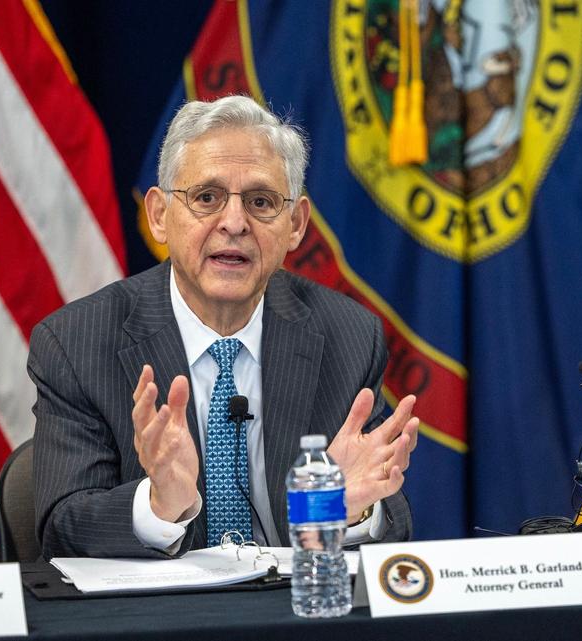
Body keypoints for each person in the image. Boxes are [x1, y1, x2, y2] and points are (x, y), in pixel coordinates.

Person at [29, 95, 419, 559]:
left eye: (260, 201)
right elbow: (62, 528)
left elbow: (388, 515)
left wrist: (339, 509)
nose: (234, 223)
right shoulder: (77, 342)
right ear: (159, 216)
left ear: (295, 225)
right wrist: (159, 506)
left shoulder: (348, 336)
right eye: (206, 197)